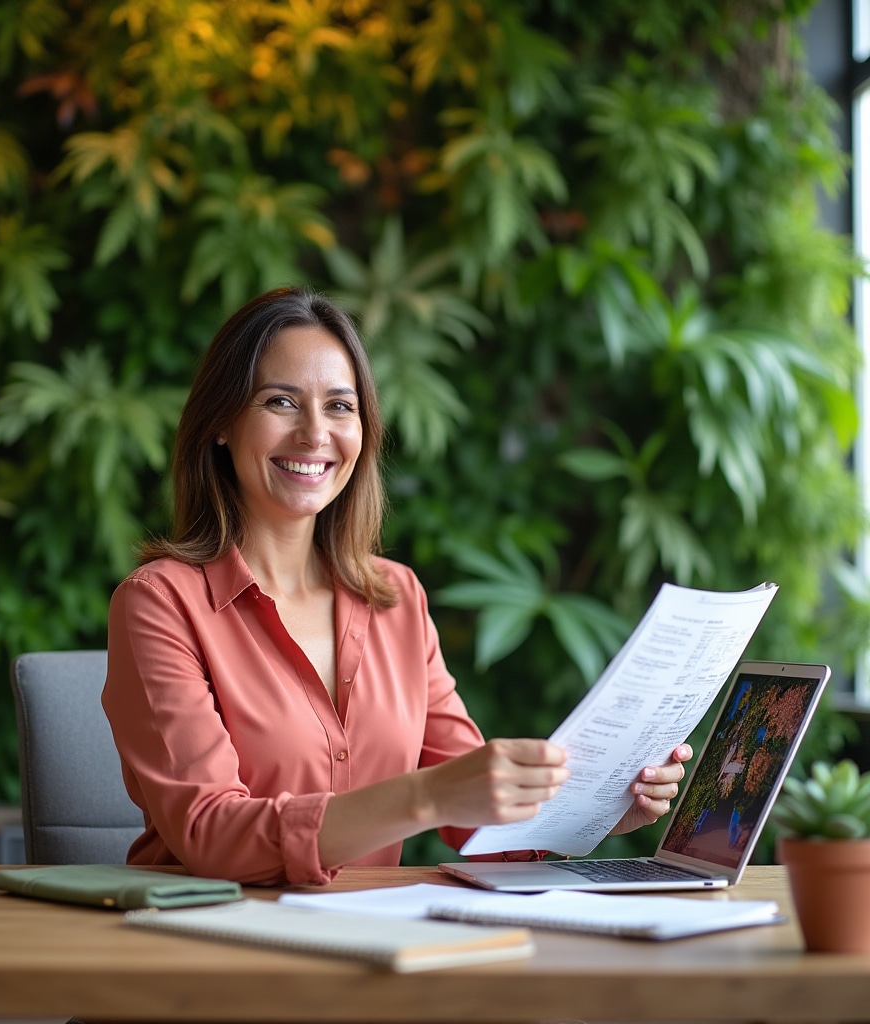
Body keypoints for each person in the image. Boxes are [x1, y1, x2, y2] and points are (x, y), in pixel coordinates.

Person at [101, 286, 692, 886]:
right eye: (280, 401)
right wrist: (427, 796)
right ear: (222, 423)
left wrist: (592, 808)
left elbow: (474, 810)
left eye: (339, 406)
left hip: (368, 943)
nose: (314, 434)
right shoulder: (160, 603)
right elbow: (210, 832)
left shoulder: (396, 598)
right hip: (209, 942)